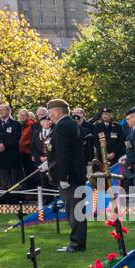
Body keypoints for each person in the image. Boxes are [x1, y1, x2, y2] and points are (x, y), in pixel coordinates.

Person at [45, 98, 87, 252]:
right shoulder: (67, 124)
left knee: (74, 211)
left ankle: (76, 244)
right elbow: (58, 151)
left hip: (71, 177)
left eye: (50, 112)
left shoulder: (63, 126)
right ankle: (77, 242)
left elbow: (64, 154)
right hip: (73, 174)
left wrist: (64, 177)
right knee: (74, 210)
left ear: (57, 111)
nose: (49, 116)